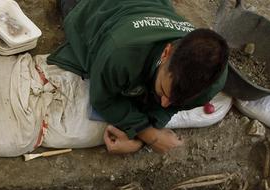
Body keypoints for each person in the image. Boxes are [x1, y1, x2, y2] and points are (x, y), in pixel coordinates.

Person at [48, 0, 229, 155]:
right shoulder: (120, 54)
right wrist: (150, 135)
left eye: (176, 100)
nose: (165, 104)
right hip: (95, 7)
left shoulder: (212, 83)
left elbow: (165, 109)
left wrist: (141, 136)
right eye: (165, 92)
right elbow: (103, 99)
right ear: (166, 53)